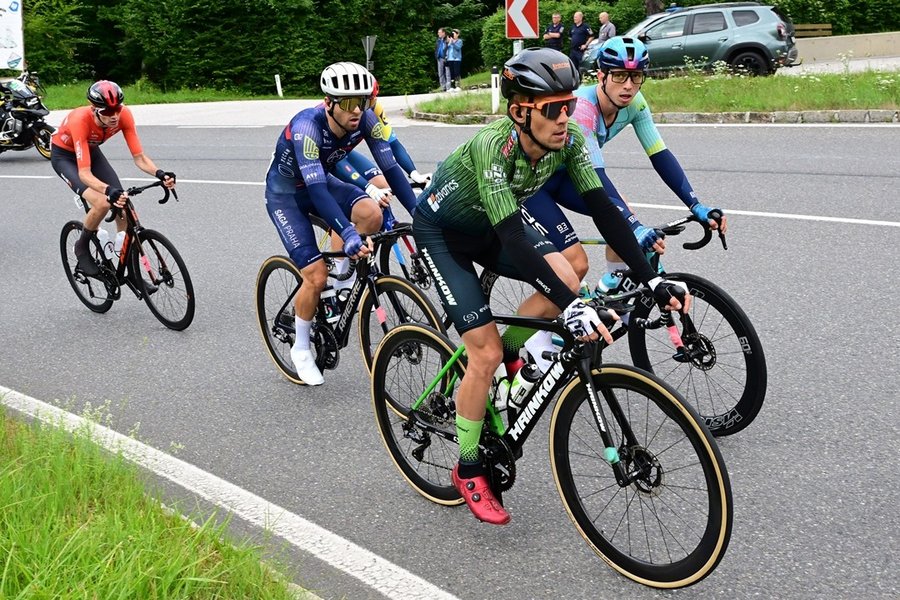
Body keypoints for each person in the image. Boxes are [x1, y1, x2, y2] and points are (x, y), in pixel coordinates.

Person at [412, 47, 690, 525]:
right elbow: (513, 239)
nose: (565, 118)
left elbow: (604, 211)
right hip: (445, 235)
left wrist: (653, 277)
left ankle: (510, 352)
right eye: (553, 108)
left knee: (567, 273)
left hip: (493, 225)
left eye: (569, 105)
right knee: (484, 354)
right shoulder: (494, 146)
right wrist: (572, 307)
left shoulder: (571, 139)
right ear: (520, 111)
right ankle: (469, 466)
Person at [522, 36, 725, 310]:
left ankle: (613, 287)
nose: (628, 85)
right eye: (619, 75)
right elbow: (594, 175)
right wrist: (635, 226)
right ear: (601, 76)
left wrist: (695, 204)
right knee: (576, 264)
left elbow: (660, 155)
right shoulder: (583, 108)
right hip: (535, 185)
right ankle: (544, 332)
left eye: (636, 76)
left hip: (567, 176)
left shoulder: (635, 103)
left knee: (623, 214)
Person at [264, 62, 418, 386]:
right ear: (329, 102)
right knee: (315, 276)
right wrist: (347, 233)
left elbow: (390, 169)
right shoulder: (307, 127)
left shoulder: (366, 118)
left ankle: (341, 282)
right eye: (348, 103)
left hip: (321, 183)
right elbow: (317, 191)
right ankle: (301, 346)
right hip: (287, 197)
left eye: (362, 101)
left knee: (372, 214)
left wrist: (420, 217)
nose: (357, 110)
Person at [50, 80, 176, 277]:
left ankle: (129, 269)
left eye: (117, 109)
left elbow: (140, 157)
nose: (114, 116)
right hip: (64, 156)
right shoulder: (80, 120)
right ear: (94, 109)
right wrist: (108, 190)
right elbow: (84, 174)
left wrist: (160, 173)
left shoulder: (124, 115)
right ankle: (81, 247)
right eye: (108, 112)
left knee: (123, 204)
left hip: (90, 151)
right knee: (102, 202)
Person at [435, 28, 450, 92]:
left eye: (439, 32)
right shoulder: (438, 40)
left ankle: (448, 87)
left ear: (443, 33)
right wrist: (436, 55)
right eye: (438, 32)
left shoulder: (447, 39)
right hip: (439, 58)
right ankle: (443, 87)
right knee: (440, 73)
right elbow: (437, 48)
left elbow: (449, 47)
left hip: (446, 57)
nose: (438, 34)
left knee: (447, 72)